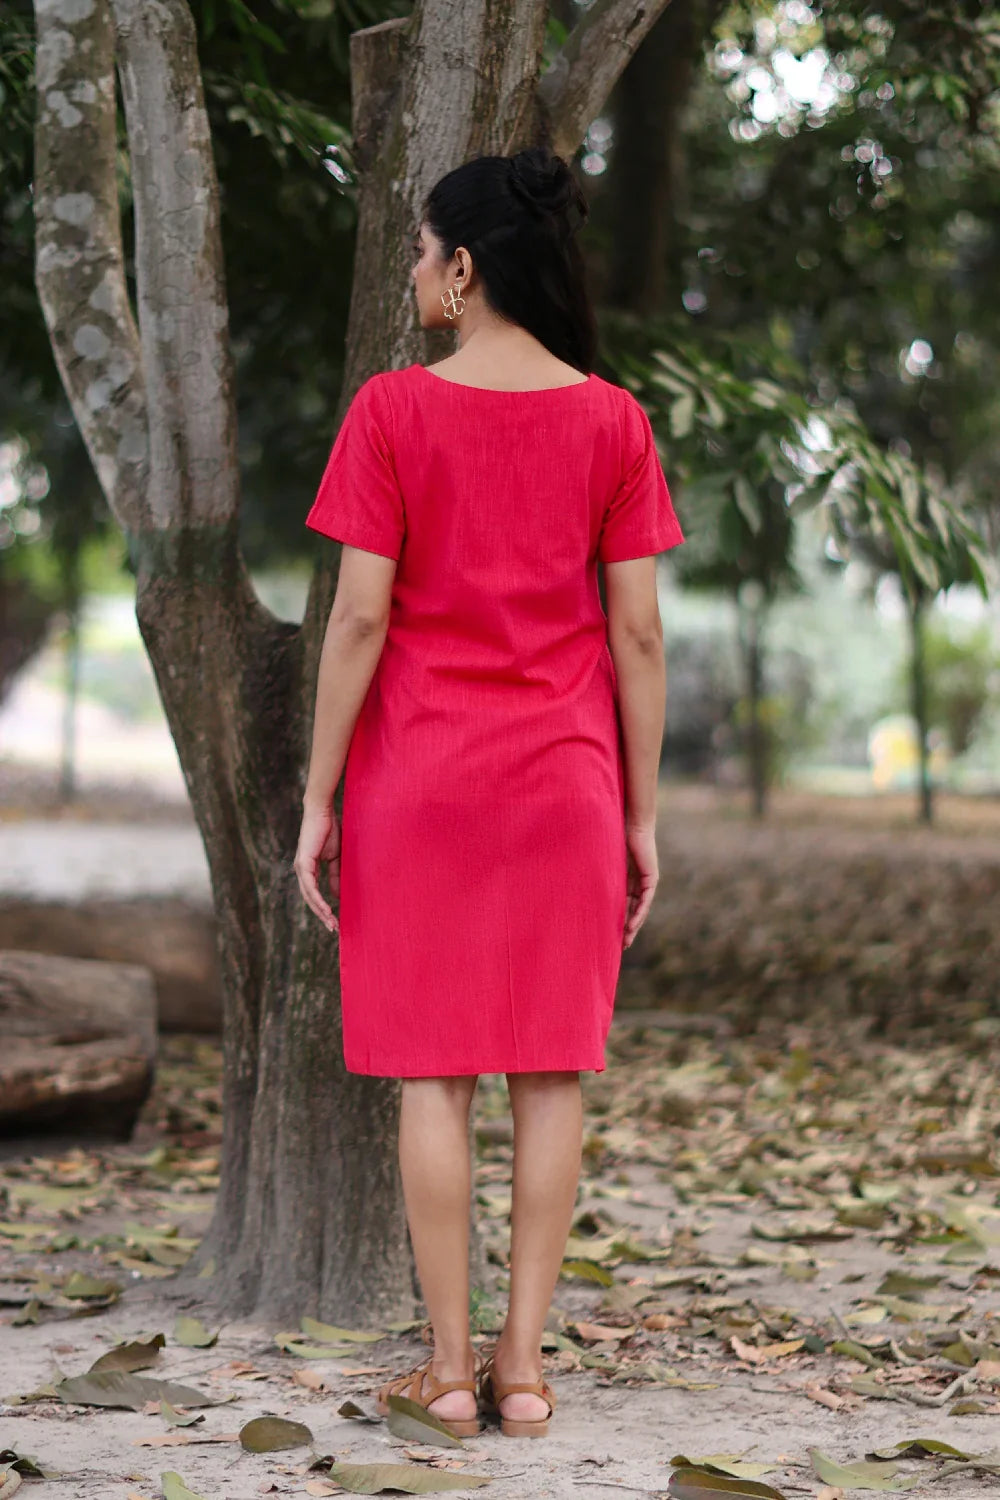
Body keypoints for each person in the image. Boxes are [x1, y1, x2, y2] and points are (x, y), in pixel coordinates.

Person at [294, 144, 685, 1439]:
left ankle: (449, 1373)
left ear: (465, 270)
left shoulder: (394, 413)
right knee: (551, 1074)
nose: (414, 270)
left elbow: (358, 621)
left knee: (437, 1078)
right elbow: (636, 637)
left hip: (422, 788)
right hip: (565, 789)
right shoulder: (614, 423)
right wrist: (636, 813)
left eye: (421, 250)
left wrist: (319, 801)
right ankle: (525, 1371)